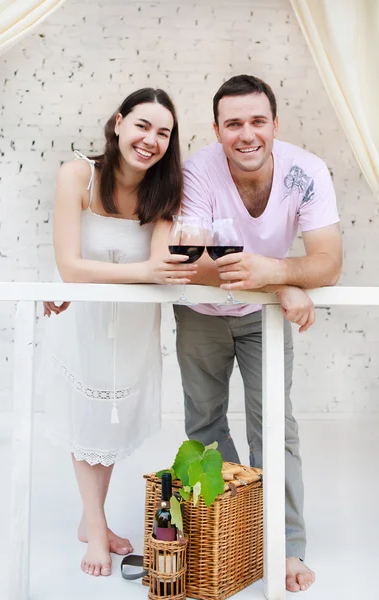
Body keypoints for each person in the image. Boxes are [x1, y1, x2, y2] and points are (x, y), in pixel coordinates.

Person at [173, 74, 342, 593]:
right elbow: (193, 261)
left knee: (274, 424)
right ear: (217, 129)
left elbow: (329, 262)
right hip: (201, 310)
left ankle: (286, 543)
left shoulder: (307, 171)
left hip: (262, 313)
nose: (247, 134)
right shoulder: (196, 170)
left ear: (275, 124)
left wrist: (278, 279)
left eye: (257, 121)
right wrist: (282, 278)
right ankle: (236, 529)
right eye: (233, 124)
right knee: (204, 424)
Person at [40, 88, 198, 577]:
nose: (151, 140)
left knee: (107, 427)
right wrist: (143, 272)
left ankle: (94, 523)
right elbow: (69, 267)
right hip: (83, 320)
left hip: (132, 329)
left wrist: (146, 271)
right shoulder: (78, 175)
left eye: (163, 133)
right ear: (118, 123)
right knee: (86, 420)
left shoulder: (165, 192)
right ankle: (95, 525)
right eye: (143, 126)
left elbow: (162, 265)